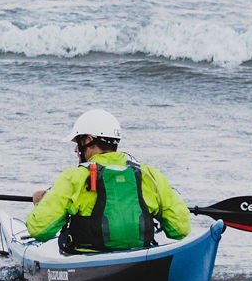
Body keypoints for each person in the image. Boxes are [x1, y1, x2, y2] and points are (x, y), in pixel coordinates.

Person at [25, 108, 191, 252]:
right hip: (140, 258)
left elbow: (39, 230)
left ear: (88, 140)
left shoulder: (74, 178)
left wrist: (41, 203)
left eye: (78, 142)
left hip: (88, 264)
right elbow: (180, 229)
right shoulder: (149, 175)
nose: (76, 149)